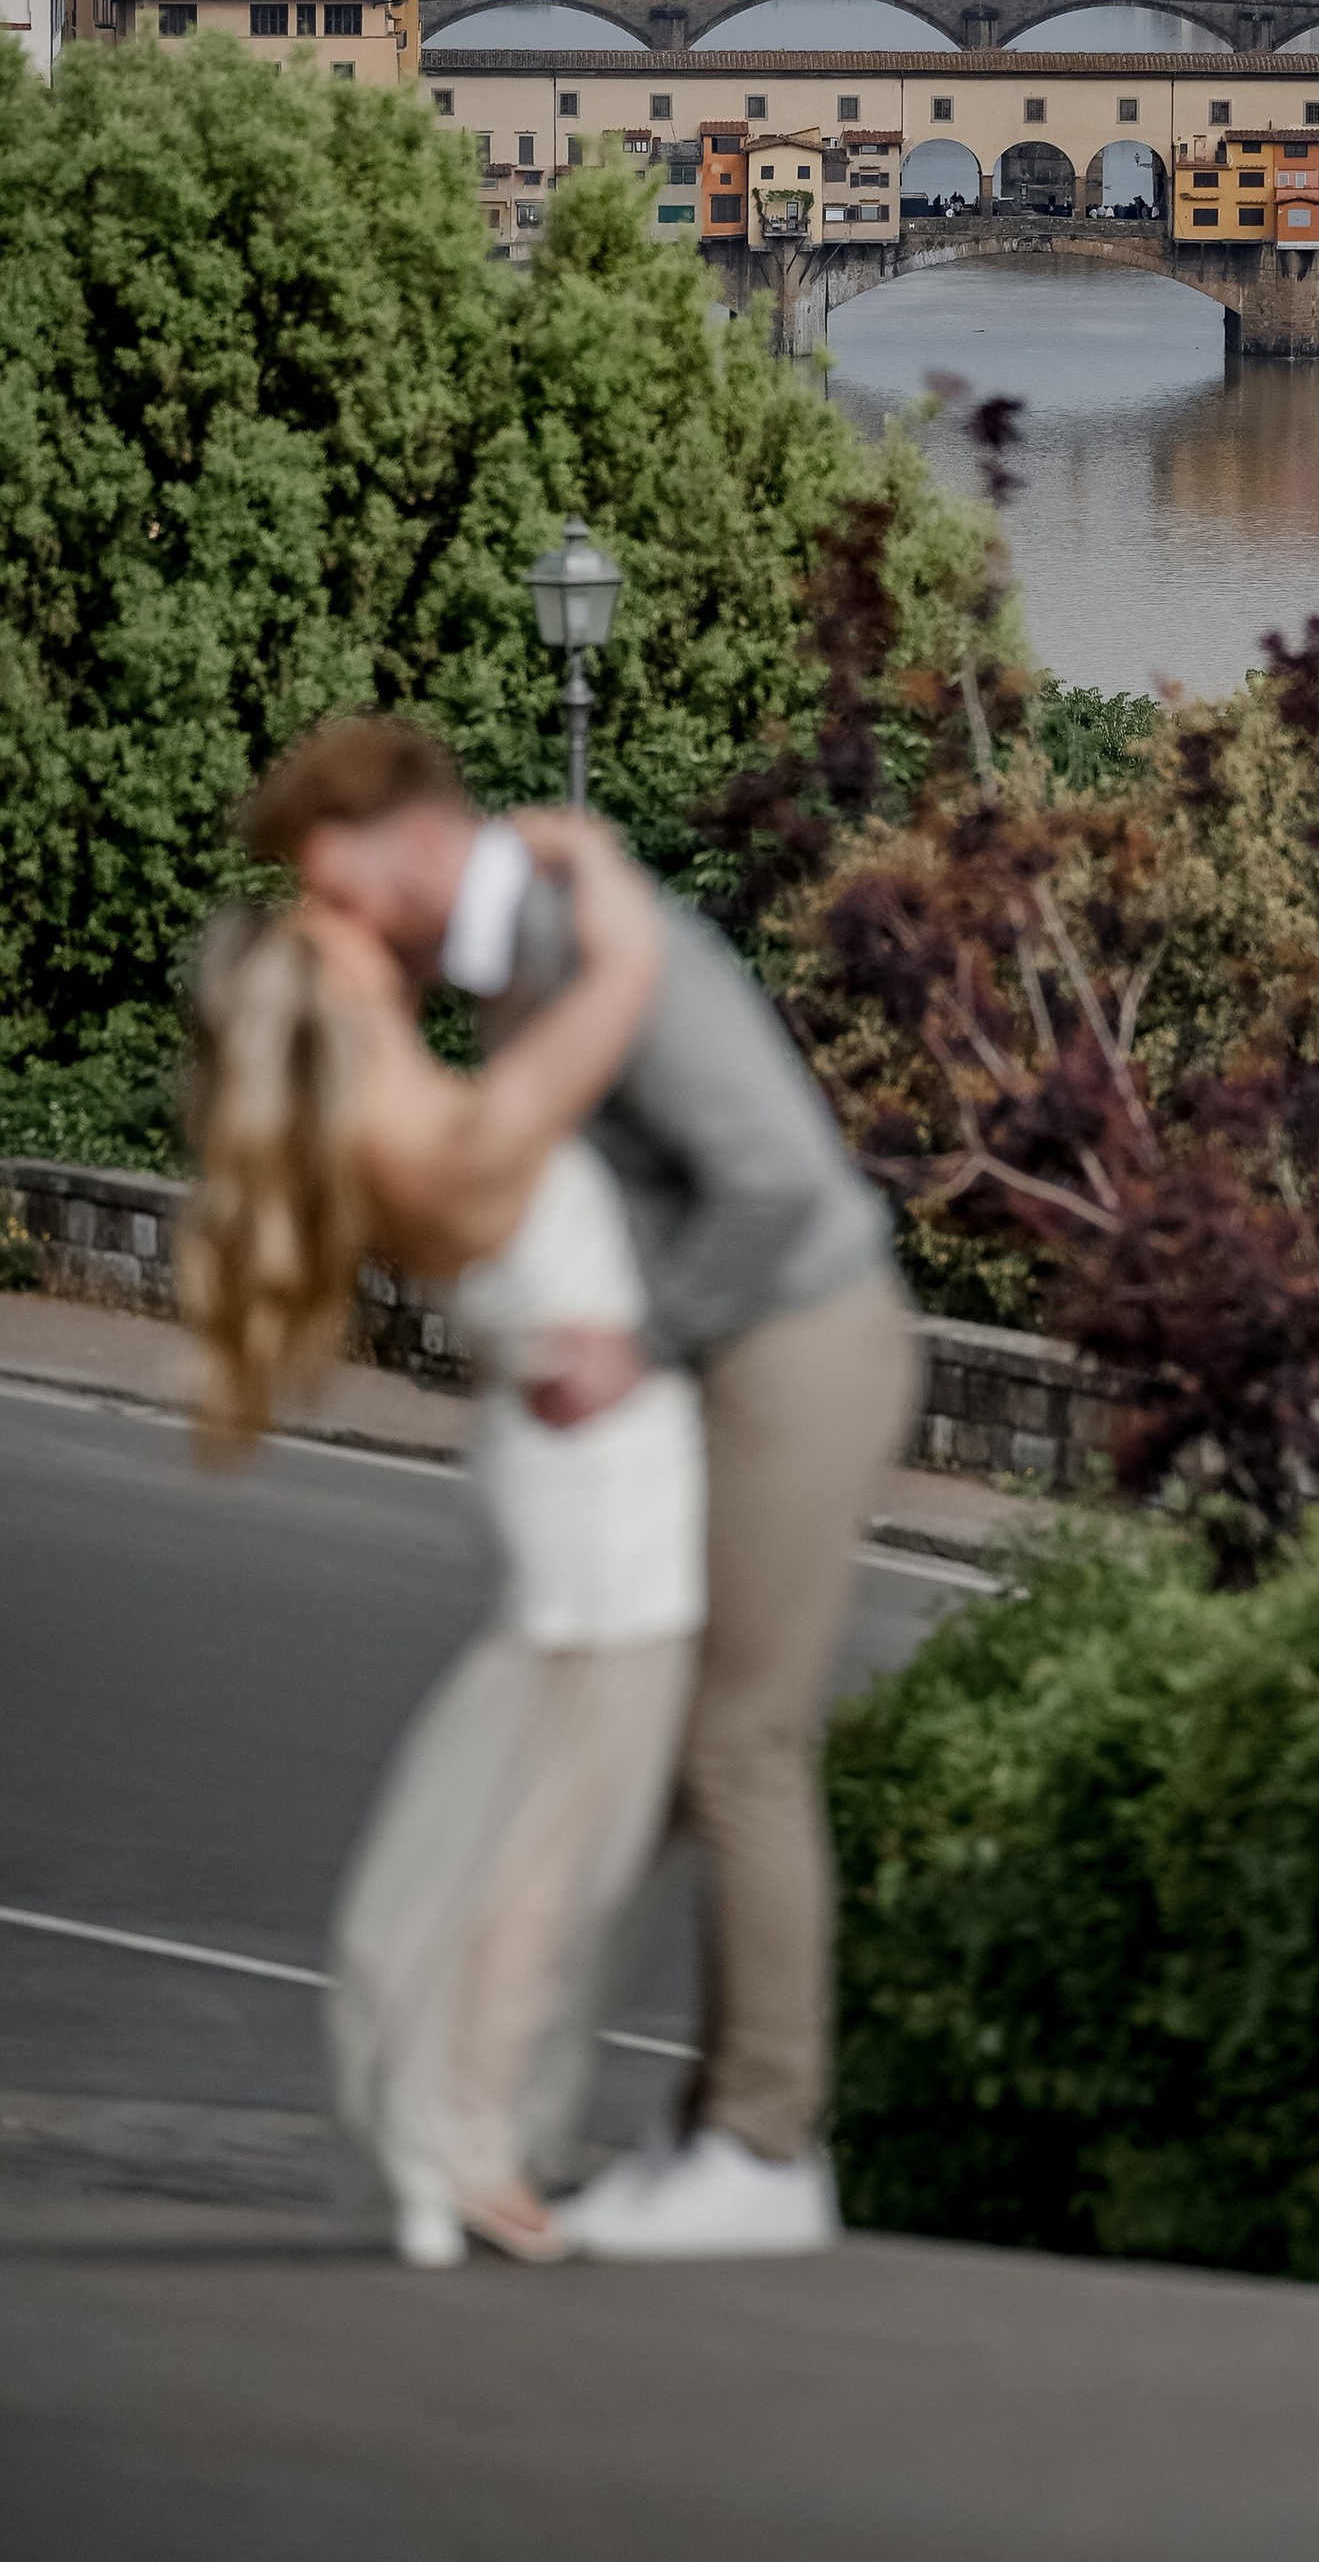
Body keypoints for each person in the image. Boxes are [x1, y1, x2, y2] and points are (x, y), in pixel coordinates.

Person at [240, 715, 919, 2261]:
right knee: (682, 1759)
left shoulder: (571, 935)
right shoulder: (527, 952)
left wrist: (638, 1343)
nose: (325, 920)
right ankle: (691, 2136)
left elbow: (774, 1184)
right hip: (735, 1352)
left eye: (334, 887)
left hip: (793, 1345)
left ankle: (760, 2150)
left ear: (412, 841)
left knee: (738, 1749)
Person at [184, 813, 687, 2266]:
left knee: (536, 1820)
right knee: (555, 1850)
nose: (371, 932)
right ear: (339, 996)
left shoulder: (399, 1126)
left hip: (582, 1477)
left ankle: (443, 2146)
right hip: (606, 1500)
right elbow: (626, 976)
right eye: (344, 938)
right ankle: (461, 2142)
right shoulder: (457, 1128)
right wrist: (572, 850)